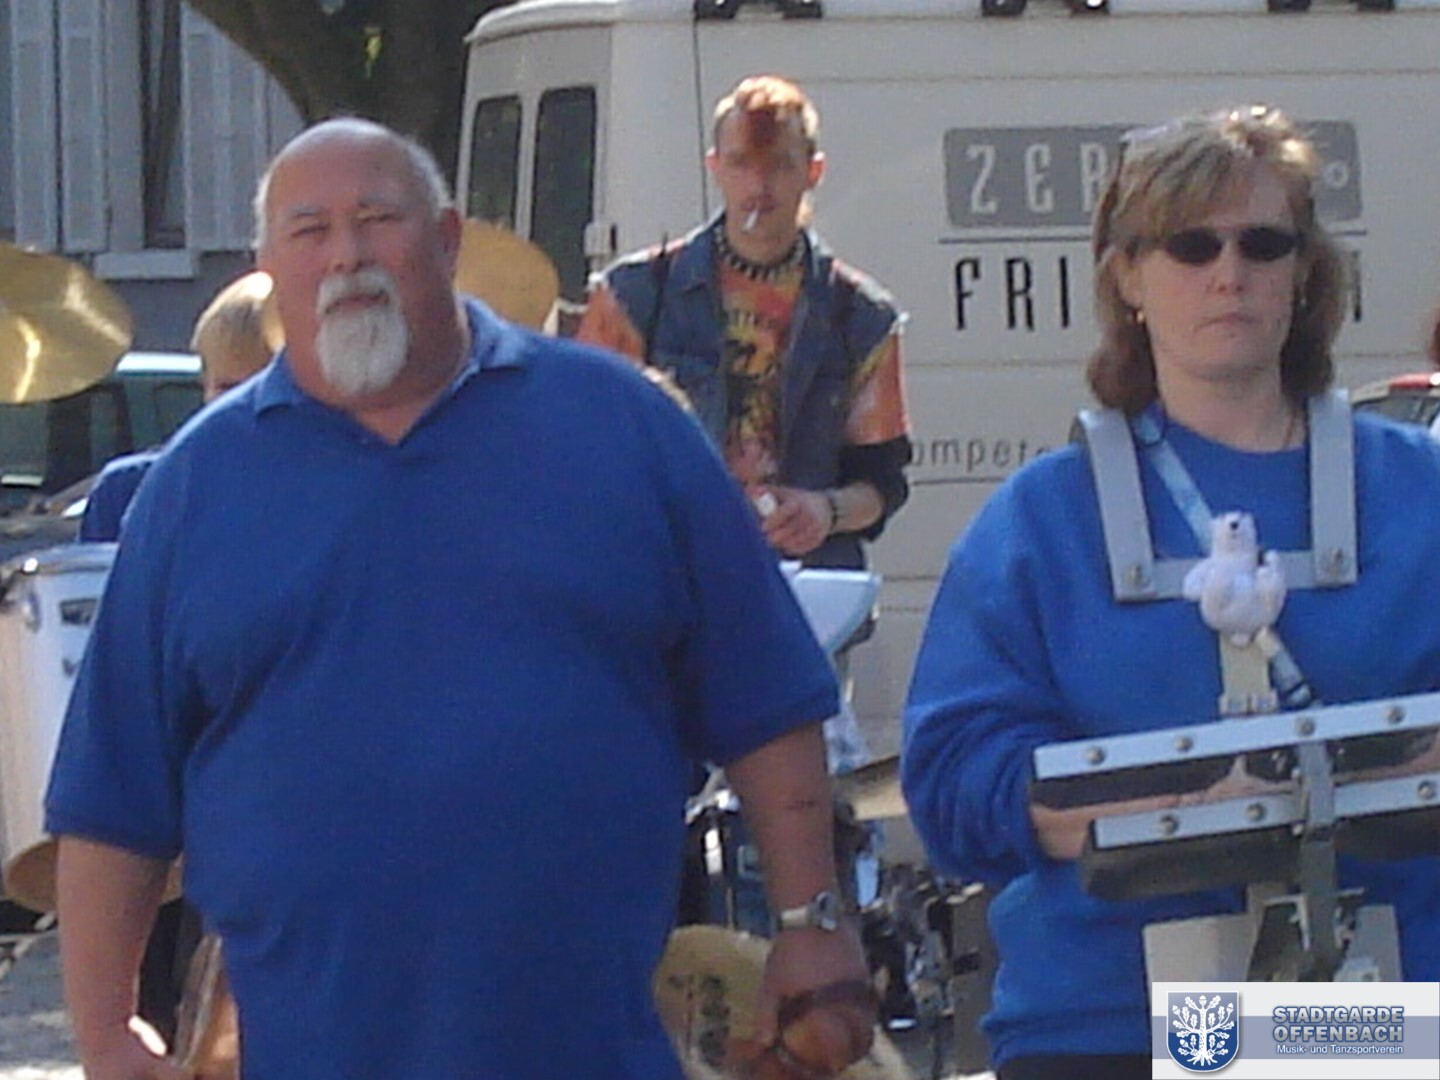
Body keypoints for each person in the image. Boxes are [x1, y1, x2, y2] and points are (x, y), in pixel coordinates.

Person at [45, 117, 875, 1080]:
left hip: (587, 1049)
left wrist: (812, 921)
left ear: (446, 240)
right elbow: (114, 792)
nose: (347, 255)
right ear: (269, 267)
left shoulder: (623, 430)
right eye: (310, 231)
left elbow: (768, 702)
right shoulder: (195, 488)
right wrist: (105, 1034)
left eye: (377, 219)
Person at [903, 104, 1440, 1080]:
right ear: (1127, 276)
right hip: (1109, 1021)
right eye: (1191, 245)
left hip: (1374, 1011)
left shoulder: (1418, 490)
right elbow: (952, 782)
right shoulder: (1041, 519)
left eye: (1263, 243)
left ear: (1305, 271)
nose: (1229, 273)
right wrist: (1178, 806)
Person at [576, 74, 911, 574]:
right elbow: (581, 449)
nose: (759, 187)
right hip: (670, 578)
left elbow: (883, 481)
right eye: (741, 164)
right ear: (715, 167)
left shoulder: (861, 315)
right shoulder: (635, 294)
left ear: (813, 171)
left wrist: (825, 511)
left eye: (779, 165)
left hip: (804, 585)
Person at [79, 270, 276, 541]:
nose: (246, 406)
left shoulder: (325, 492)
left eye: (263, 390)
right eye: (229, 390)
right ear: (204, 386)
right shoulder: (129, 490)